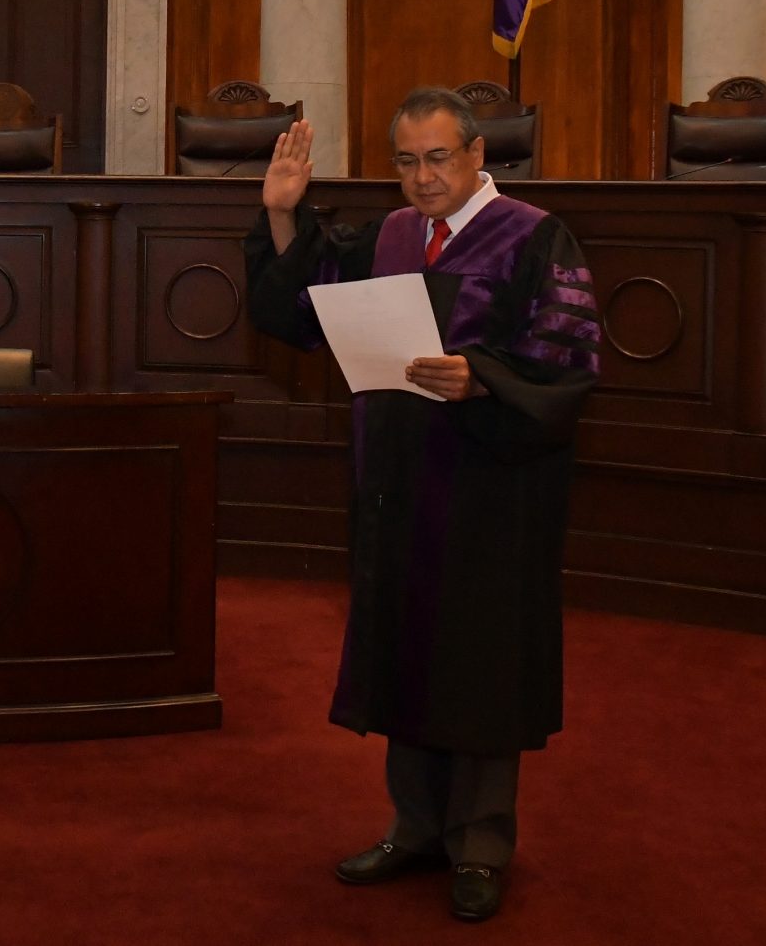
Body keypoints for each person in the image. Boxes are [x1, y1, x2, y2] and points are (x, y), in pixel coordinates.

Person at [243, 87, 599, 923]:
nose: (422, 177)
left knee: (478, 657)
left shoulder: (533, 236)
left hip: (491, 483)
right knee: (405, 644)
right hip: (398, 477)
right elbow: (303, 310)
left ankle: (480, 843)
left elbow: (568, 360)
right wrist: (284, 214)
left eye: (438, 158)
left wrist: (482, 379)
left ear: (478, 154)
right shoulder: (393, 235)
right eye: (406, 161)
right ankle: (415, 827)